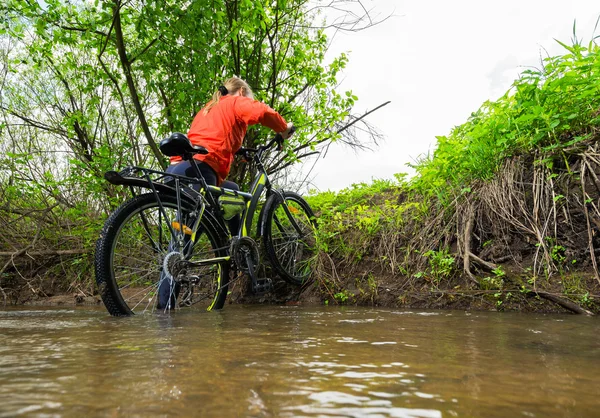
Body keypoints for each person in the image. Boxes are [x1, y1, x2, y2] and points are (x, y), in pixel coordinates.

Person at [157, 77, 294, 310]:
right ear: (241, 92)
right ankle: (164, 311)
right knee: (181, 246)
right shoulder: (234, 101)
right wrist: (284, 128)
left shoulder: (208, 109)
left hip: (180, 168)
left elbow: (213, 136)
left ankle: (236, 249)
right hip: (200, 169)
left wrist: (238, 150)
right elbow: (260, 112)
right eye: (246, 96)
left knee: (232, 193)